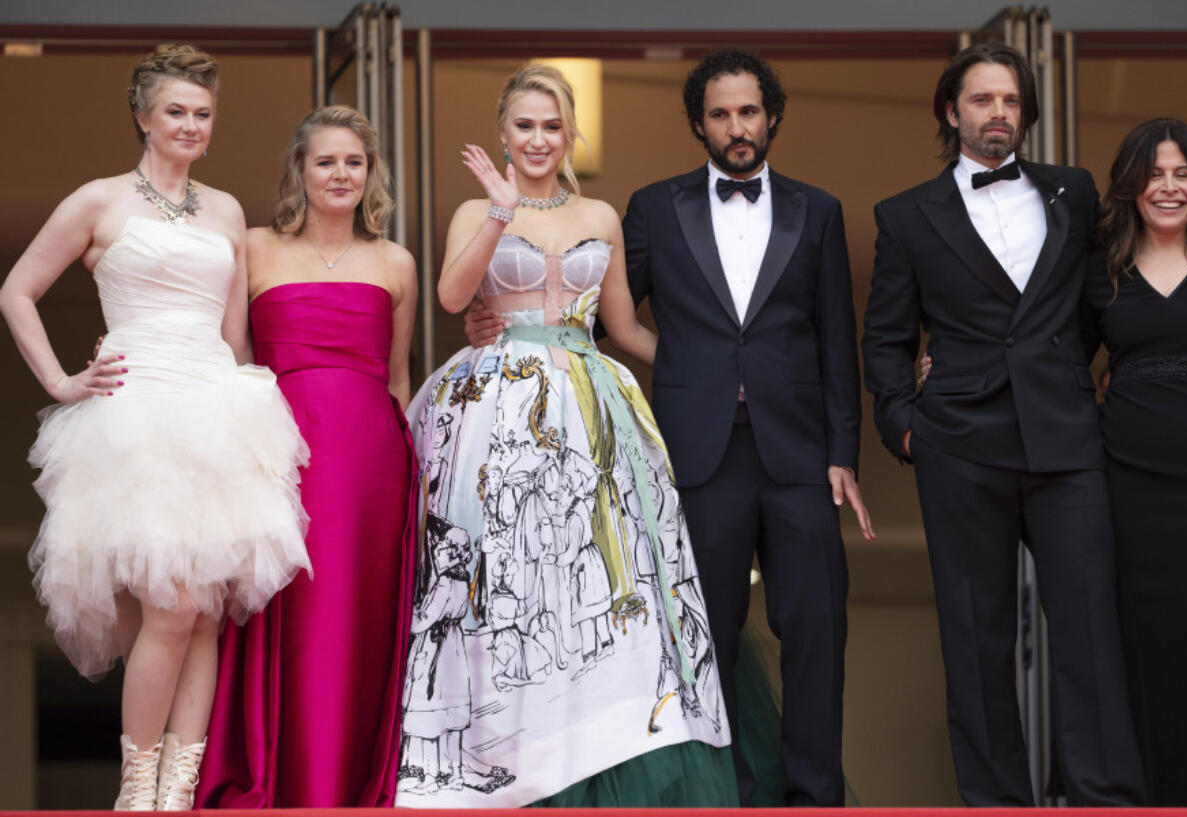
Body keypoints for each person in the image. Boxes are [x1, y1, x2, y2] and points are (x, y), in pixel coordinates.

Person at [467, 49, 871, 807]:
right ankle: (731, 793)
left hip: (797, 451)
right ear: (698, 122)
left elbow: (835, 344)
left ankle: (816, 797)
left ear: (772, 115)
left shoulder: (819, 210)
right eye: (720, 113)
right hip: (695, 449)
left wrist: (844, 452)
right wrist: (500, 314)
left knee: (816, 628)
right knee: (703, 634)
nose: (737, 126)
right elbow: (601, 314)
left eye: (749, 111)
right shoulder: (654, 207)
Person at [398, 63, 735, 808]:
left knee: (601, 587)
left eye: (552, 126)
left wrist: (718, 366)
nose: (539, 138)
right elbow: (454, 296)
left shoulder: (605, 216)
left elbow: (623, 330)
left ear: (571, 133)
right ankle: (503, 752)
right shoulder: (473, 209)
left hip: (590, 408)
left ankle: (598, 748)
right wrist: (497, 211)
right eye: (524, 125)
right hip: (496, 412)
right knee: (504, 580)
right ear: (502, 134)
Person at [0, 45, 312, 810]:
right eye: (176, 111)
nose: (191, 125)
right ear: (142, 116)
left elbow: (235, 339)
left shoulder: (229, 210)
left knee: (202, 612)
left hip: (214, 404)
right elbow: (16, 292)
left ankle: (179, 791)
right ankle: (135, 790)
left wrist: (255, 425)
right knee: (169, 606)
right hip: (135, 413)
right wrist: (60, 381)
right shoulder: (98, 201)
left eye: (203, 114)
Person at [861, 42, 1145, 806]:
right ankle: (996, 803)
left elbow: (1093, 306)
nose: (999, 114)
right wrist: (906, 425)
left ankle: (1104, 795)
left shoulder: (1074, 193)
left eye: (1012, 101)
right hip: (959, 446)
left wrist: (1058, 377)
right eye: (983, 100)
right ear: (952, 112)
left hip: (1066, 438)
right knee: (976, 640)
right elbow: (886, 339)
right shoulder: (906, 216)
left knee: (1089, 629)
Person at [194, 106, 418, 807]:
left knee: (361, 620)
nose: (341, 174)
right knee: (290, 612)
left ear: (370, 173)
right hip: (281, 451)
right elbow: (235, 356)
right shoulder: (254, 247)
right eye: (326, 161)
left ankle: (352, 786)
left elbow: (398, 379)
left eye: (354, 162)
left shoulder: (396, 261)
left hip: (372, 464)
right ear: (300, 170)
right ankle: (288, 782)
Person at [1086, 118, 1187, 806]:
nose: (1168, 187)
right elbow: (1051, 361)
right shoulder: (1099, 269)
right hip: (1131, 485)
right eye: (1155, 173)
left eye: (1182, 174)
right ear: (1131, 185)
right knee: (1146, 651)